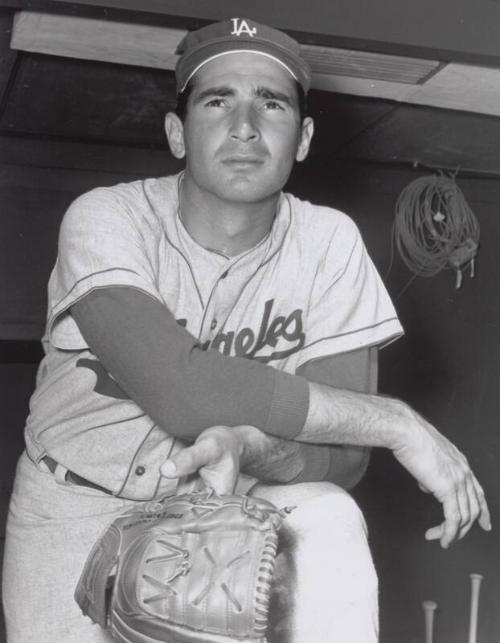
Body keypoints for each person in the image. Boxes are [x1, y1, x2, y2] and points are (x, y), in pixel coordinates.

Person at [2, 17, 490, 643]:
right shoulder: (106, 217)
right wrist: (397, 421)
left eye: (271, 103)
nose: (244, 126)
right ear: (178, 134)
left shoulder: (328, 241)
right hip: (75, 500)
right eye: (217, 100)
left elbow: (342, 462)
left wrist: (256, 447)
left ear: (303, 137)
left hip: (236, 494)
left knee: (330, 516)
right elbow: (184, 393)